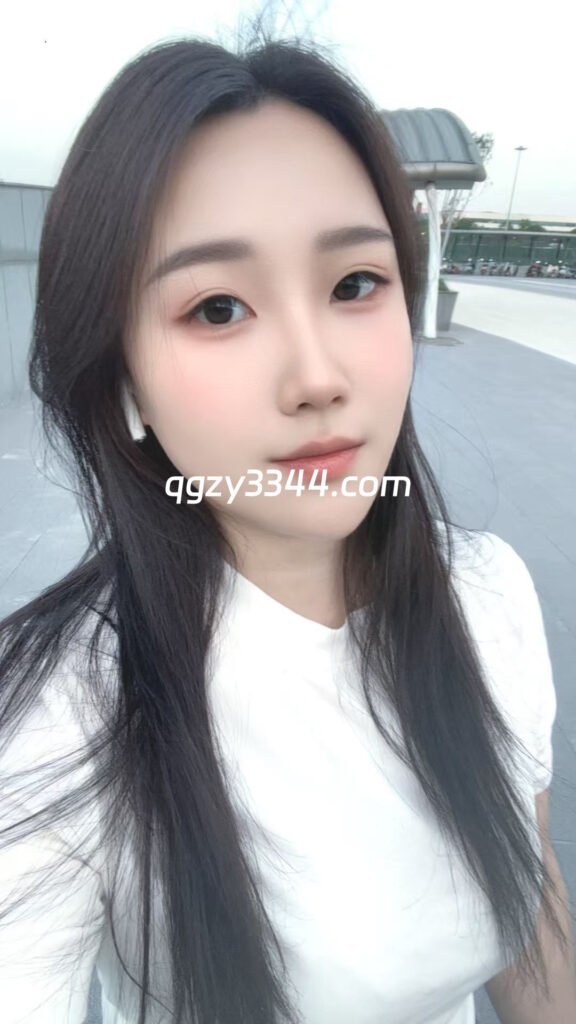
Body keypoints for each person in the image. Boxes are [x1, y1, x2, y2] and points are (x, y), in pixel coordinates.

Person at [1, 22, 575, 1024]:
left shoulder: (487, 597)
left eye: (355, 283)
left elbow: (533, 926)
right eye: (218, 308)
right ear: (124, 376)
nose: (317, 376)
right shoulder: (61, 715)